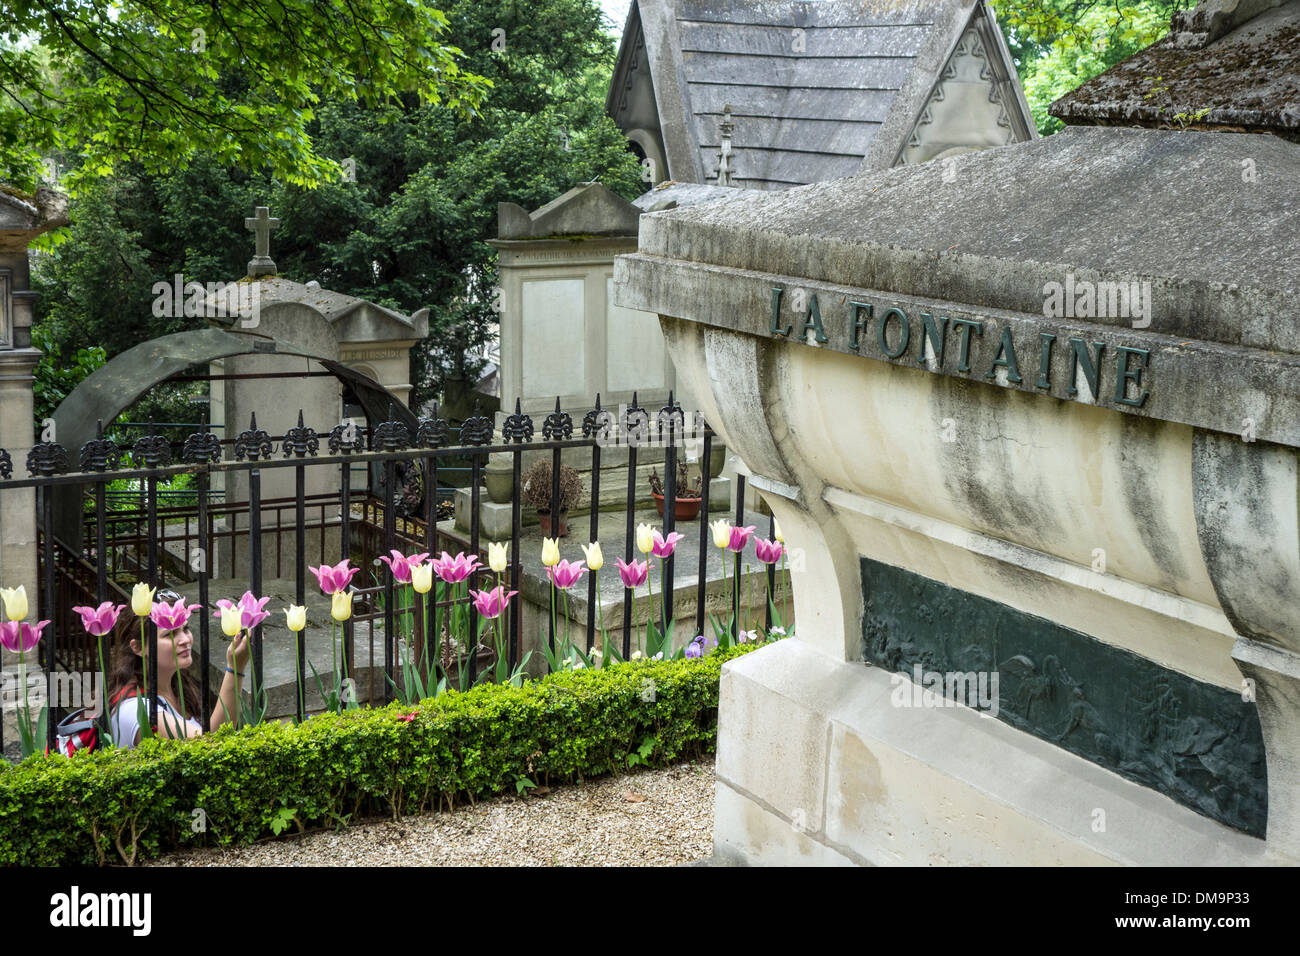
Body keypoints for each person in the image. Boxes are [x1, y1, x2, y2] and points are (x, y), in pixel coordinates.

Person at [105, 589, 251, 746]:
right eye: (170, 634)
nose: (185, 639)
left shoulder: (179, 689)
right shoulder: (137, 711)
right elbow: (210, 747)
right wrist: (235, 668)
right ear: (138, 648)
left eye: (185, 629)